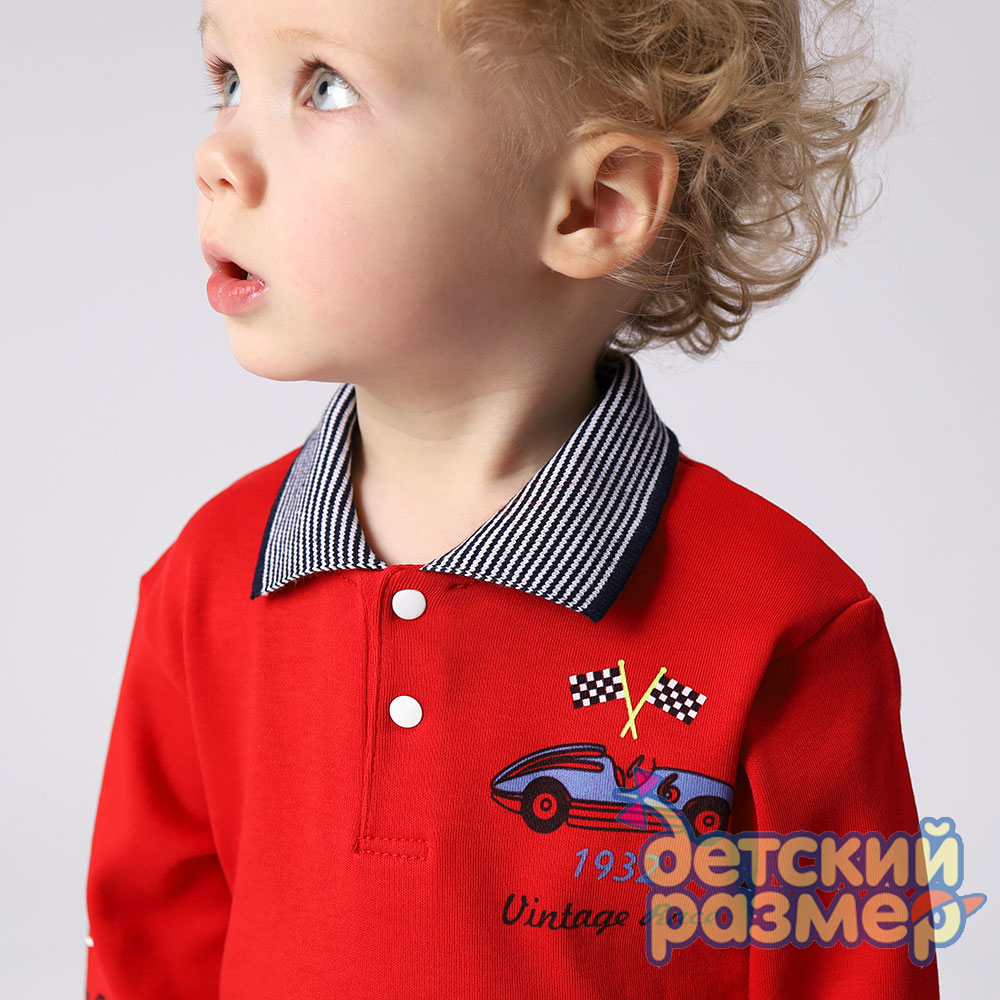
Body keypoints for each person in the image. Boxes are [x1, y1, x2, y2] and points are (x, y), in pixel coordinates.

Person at [84, 0, 940, 996]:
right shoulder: (205, 580)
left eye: (326, 85)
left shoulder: (785, 625)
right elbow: (148, 955)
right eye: (227, 79)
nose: (216, 156)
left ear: (593, 205)